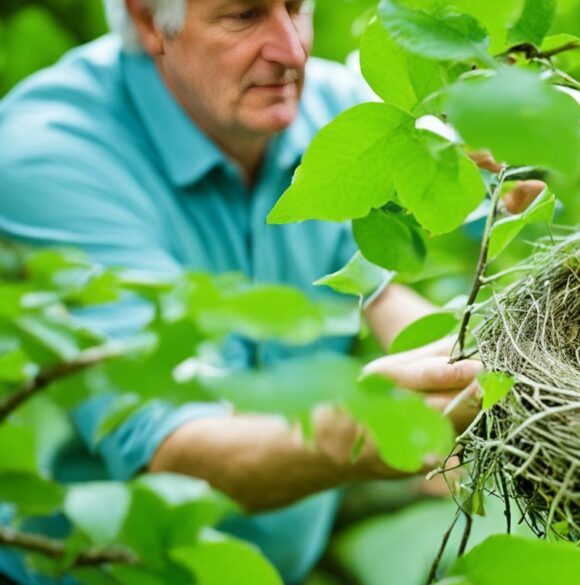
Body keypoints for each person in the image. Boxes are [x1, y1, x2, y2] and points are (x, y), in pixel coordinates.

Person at [0, 0, 543, 582]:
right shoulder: (52, 153)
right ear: (148, 20)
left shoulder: (334, 113)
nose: (294, 50)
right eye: (244, 14)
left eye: (296, 7)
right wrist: (364, 429)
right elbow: (174, 450)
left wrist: (493, 171)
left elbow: (381, 286)